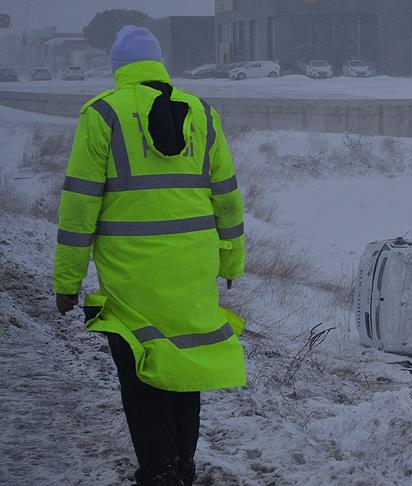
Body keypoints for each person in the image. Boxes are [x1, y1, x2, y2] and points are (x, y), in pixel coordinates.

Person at [53, 26, 246, 486]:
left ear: (118, 68)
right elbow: (228, 197)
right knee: (185, 367)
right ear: (159, 63)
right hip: (194, 270)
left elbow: (80, 205)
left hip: (130, 277)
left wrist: (67, 282)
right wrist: (231, 261)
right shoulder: (201, 112)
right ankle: (182, 465)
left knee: (140, 376)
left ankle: (160, 472)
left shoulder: (103, 113)